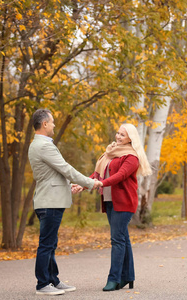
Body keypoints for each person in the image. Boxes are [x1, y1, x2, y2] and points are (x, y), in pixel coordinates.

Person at [28, 108, 102, 296]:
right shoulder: (44, 146)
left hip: (48, 198)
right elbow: (65, 169)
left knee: (50, 243)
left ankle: (53, 280)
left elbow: (50, 175)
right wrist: (90, 182)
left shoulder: (38, 144)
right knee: (46, 244)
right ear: (44, 124)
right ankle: (43, 284)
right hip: (49, 202)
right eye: (52, 122)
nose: (53, 125)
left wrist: (69, 187)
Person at [81, 123, 152, 291]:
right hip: (109, 200)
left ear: (130, 139)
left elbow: (120, 176)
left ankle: (114, 279)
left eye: (122, 135)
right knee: (122, 238)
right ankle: (128, 277)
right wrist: (82, 185)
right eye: (118, 133)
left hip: (124, 202)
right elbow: (97, 174)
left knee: (117, 239)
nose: (118, 137)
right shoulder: (110, 152)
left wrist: (101, 183)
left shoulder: (131, 157)